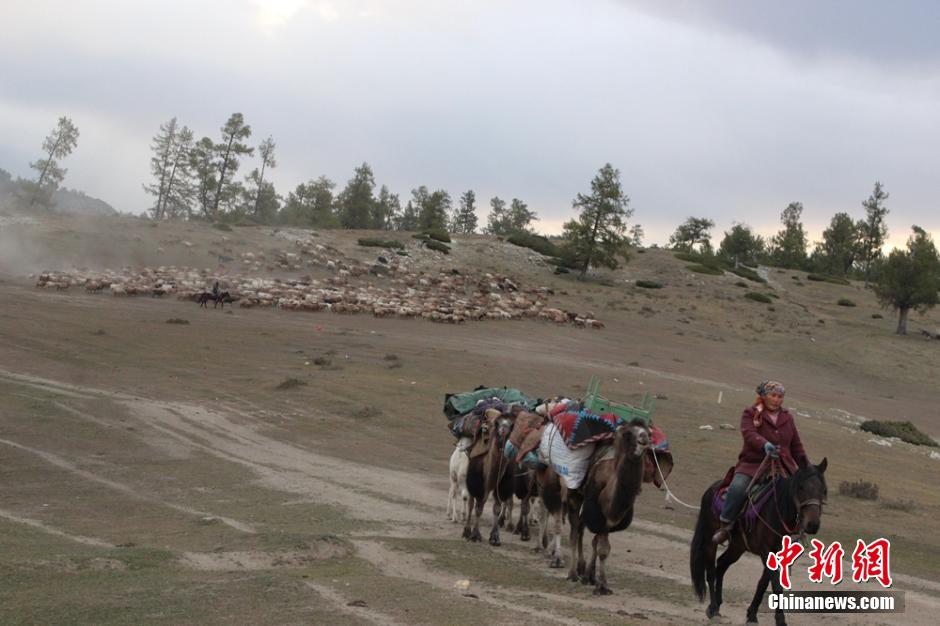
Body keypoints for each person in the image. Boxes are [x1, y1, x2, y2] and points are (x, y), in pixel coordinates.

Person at [712, 380, 810, 544]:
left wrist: (807, 468)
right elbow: (748, 433)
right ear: (764, 396)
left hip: (783, 466)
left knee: (801, 493)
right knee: (738, 488)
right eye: (773, 395)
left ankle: (797, 531)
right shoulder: (750, 413)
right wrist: (764, 444)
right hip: (754, 464)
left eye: (780, 396)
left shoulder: (787, 418)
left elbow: (796, 446)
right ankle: (726, 526)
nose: (777, 400)